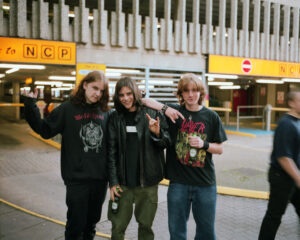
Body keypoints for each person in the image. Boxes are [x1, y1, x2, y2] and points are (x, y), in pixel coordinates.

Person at [23, 71, 111, 240]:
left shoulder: (105, 111)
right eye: (94, 88)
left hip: (100, 180)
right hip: (77, 179)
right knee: (75, 226)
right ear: (85, 85)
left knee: (91, 224)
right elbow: (45, 130)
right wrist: (30, 106)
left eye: (101, 91)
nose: (97, 94)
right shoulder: (68, 108)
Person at [143, 73, 227, 240]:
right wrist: (165, 109)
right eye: (186, 91)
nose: (190, 94)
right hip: (178, 184)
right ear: (180, 94)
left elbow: (220, 149)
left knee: (206, 233)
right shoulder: (174, 113)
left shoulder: (211, 117)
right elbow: (144, 101)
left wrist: (204, 144)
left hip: (205, 185)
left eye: (194, 90)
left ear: (201, 93)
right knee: (177, 233)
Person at [107, 77, 171, 240]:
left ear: (136, 93)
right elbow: (111, 151)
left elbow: (166, 142)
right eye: (121, 95)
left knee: (145, 227)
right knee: (117, 228)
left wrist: (156, 133)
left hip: (147, 183)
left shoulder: (152, 113)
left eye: (129, 93)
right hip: (123, 184)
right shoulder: (115, 117)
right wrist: (113, 182)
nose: (126, 98)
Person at [258, 90, 300, 240]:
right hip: (282, 178)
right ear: (291, 103)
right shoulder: (286, 124)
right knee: (274, 215)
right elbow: (284, 157)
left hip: (292, 178)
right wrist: (298, 178)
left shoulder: (297, 122)